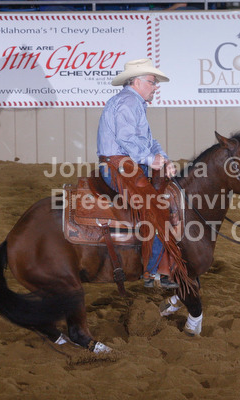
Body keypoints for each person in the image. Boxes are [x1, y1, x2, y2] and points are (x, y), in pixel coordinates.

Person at [96, 58, 181, 290]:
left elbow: (149, 142)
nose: (155, 87)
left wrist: (163, 159)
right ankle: (150, 271)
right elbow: (126, 138)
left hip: (127, 165)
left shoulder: (134, 103)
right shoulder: (128, 102)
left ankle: (160, 268)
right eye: (152, 82)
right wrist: (150, 159)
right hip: (120, 167)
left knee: (163, 202)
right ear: (136, 82)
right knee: (157, 211)